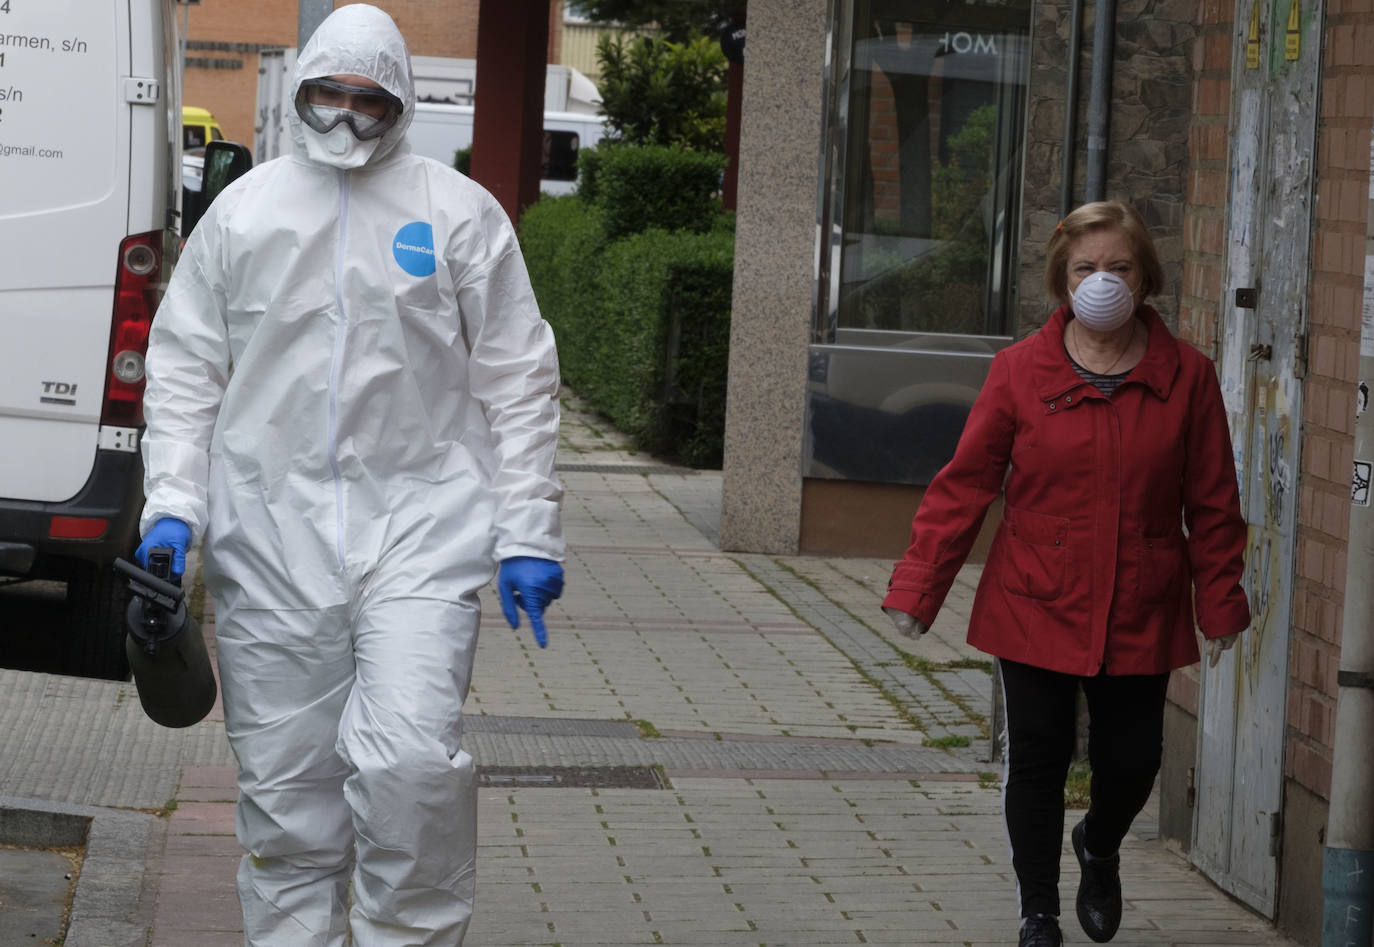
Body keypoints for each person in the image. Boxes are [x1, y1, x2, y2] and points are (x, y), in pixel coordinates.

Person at [134, 6, 565, 944]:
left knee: (411, 767)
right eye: (329, 92)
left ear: (400, 101)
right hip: (269, 539)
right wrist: (173, 507)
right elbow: (183, 368)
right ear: (301, 91)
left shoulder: (456, 215)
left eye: (369, 97)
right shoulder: (245, 214)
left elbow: (520, 377)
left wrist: (527, 527)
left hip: (423, 531)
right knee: (288, 802)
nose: (346, 114)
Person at [881, 201, 1250, 947]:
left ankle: (1101, 845)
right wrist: (920, 588)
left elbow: (1212, 502)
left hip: (1141, 600)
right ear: (1062, 280)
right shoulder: (1020, 371)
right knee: (1040, 758)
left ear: (1144, 277)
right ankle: (1038, 912)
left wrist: (1220, 603)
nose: (1102, 281)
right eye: (1086, 268)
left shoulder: (1190, 379)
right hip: (1034, 595)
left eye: (1119, 267)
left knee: (1134, 759)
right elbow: (966, 483)